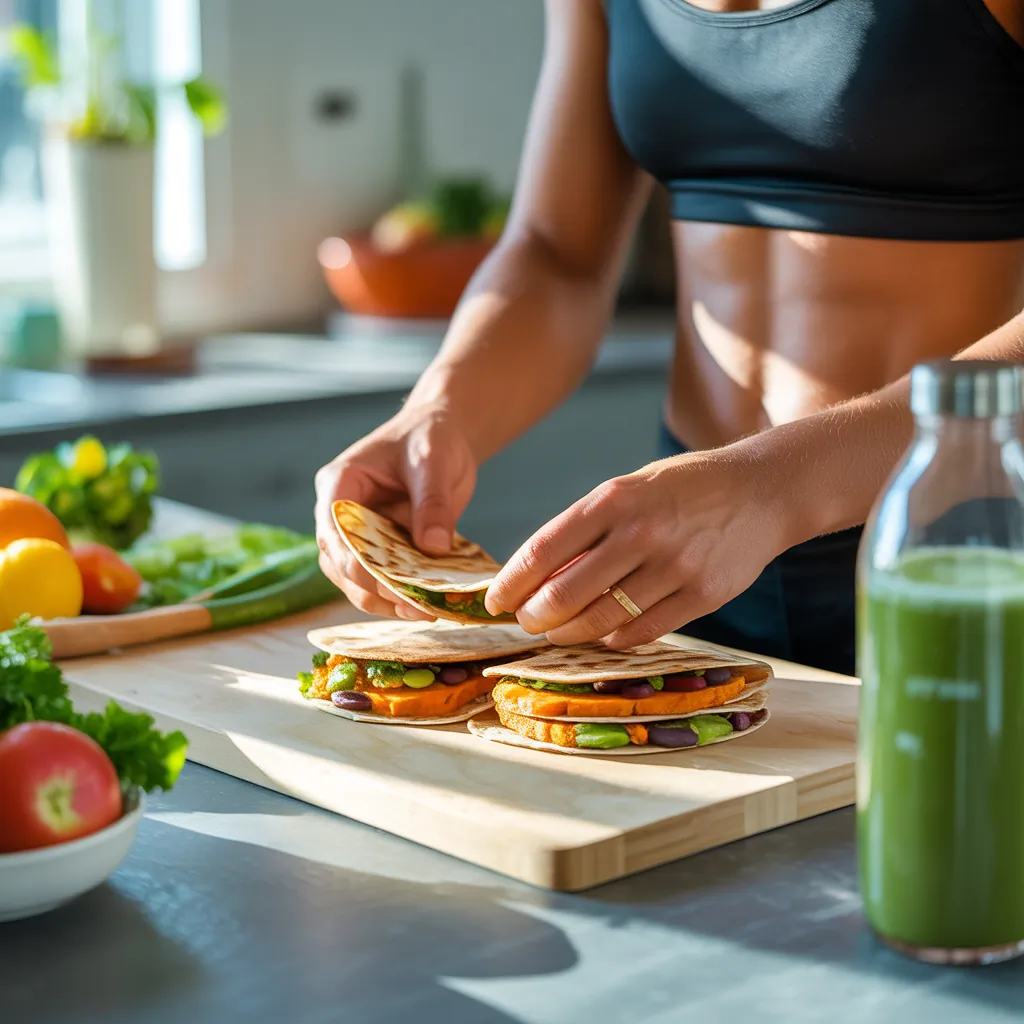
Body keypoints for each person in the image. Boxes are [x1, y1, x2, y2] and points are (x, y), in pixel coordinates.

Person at [315, 0, 1024, 676]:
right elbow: (558, 252)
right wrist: (439, 413)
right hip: (683, 552)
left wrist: (772, 488)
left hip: (963, 550)